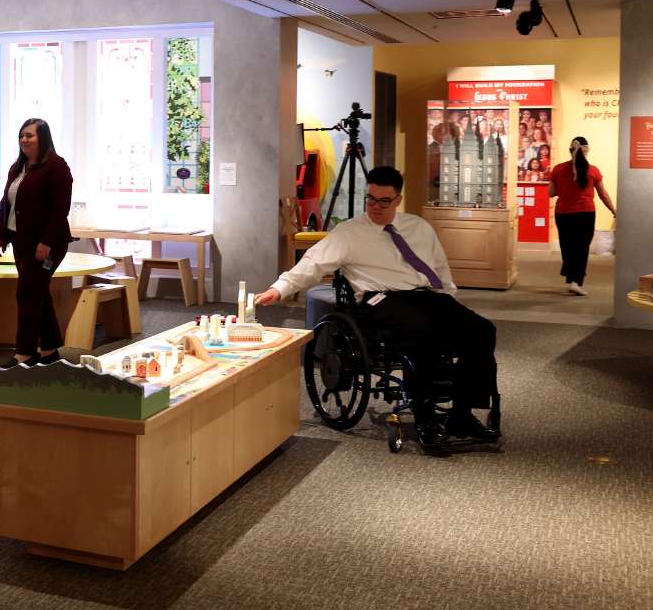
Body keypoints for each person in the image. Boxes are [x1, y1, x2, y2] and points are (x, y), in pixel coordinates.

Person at [255, 166, 500, 446]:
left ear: (398, 200)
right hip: (379, 299)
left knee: (481, 330)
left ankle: (462, 413)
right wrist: (280, 288)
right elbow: (312, 263)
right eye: (370, 199)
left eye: (384, 201)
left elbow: (440, 268)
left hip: (425, 295)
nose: (375, 206)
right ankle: (425, 416)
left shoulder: (418, 227)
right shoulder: (349, 233)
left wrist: (449, 303)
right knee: (421, 333)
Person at [0, 118, 74, 368]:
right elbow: (6, 203)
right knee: (37, 292)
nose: (24, 140)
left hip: (48, 245)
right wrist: (1, 235)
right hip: (21, 241)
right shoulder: (18, 167)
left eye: (30, 135)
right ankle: (49, 350)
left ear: (43, 138)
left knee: (27, 293)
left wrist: (46, 241)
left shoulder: (56, 166)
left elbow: (60, 209)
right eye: (21, 136)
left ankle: (25, 353)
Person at [549, 136, 616, 296]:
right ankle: (575, 281)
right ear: (587, 150)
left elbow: (551, 193)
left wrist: (563, 188)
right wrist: (613, 210)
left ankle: (571, 277)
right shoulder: (593, 170)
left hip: (563, 214)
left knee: (567, 247)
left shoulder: (558, 169)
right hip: (585, 214)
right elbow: (603, 195)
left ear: (570, 150)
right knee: (581, 248)